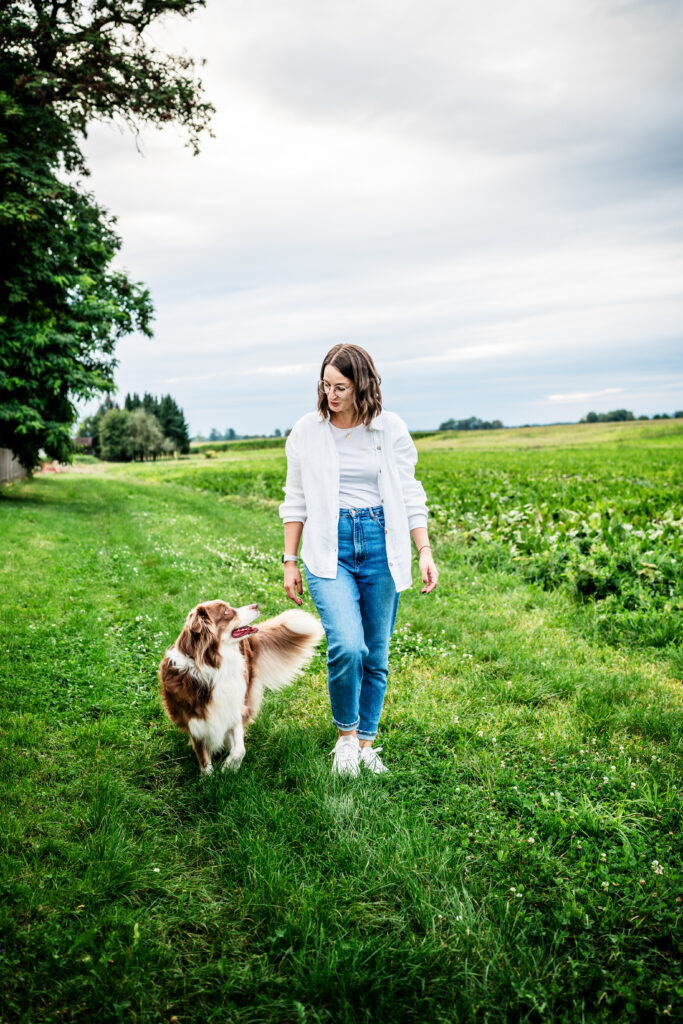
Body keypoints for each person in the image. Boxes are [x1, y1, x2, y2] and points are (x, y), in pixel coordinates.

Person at [279, 344, 438, 776]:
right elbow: (295, 499)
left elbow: (411, 494)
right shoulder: (307, 431)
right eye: (325, 386)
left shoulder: (389, 429)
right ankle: (345, 739)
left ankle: (367, 743)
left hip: (381, 542)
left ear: (362, 385)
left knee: (376, 653)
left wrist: (424, 550)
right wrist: (289, 560)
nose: (331, 395)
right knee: (348, 645)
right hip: (329, 548)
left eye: (341, 387)